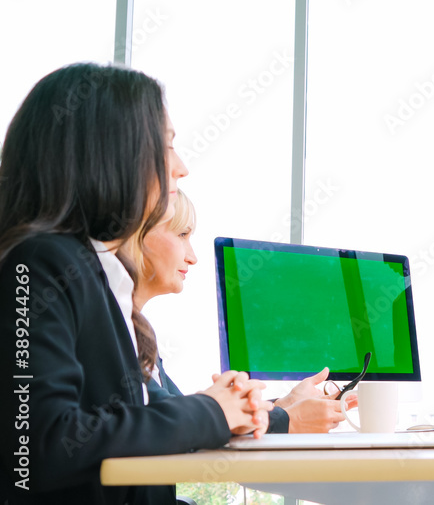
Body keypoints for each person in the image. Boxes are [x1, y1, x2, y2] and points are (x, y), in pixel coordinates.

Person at [0, 63, 269, 504]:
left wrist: (222, 409)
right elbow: (40, 445)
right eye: (166, 145)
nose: (180, 168)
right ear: (110, 153)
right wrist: (211, 410)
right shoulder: (40, 261)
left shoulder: (90, 270)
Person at [124, 190, 357, 433]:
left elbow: (176, 410)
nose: (192, 257)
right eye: (182, 234)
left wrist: (285, 405)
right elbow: (170, 423)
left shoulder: (140, 330)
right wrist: (288, 419)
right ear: (135, 234)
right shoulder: (116, 330)